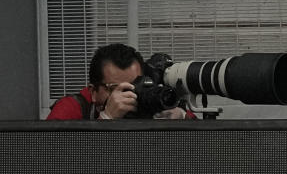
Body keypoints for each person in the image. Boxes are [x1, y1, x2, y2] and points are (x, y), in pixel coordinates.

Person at [46, 43, 191, 121]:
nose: (128, 94)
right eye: (115, 88)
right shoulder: (72, 108)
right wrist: (106, 119)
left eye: (135, 85)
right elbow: (50, 161)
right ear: (93, 92)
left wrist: (182, 118)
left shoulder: (150, 102)